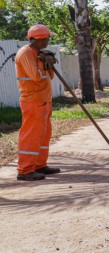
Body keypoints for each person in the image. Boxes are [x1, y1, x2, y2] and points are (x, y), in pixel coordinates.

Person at [15, 24, 60, 181]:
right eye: (48, 38)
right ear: (41, 39)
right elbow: (35, 76)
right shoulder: (26, 53)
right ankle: (25, 170)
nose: (49, 41)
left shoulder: (38, 53)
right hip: (33, 102)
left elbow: (49, 77)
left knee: (43, 136)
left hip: (44, 101)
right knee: (31, 136)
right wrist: (43, 62)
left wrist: (49, 63)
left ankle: (40, 165)